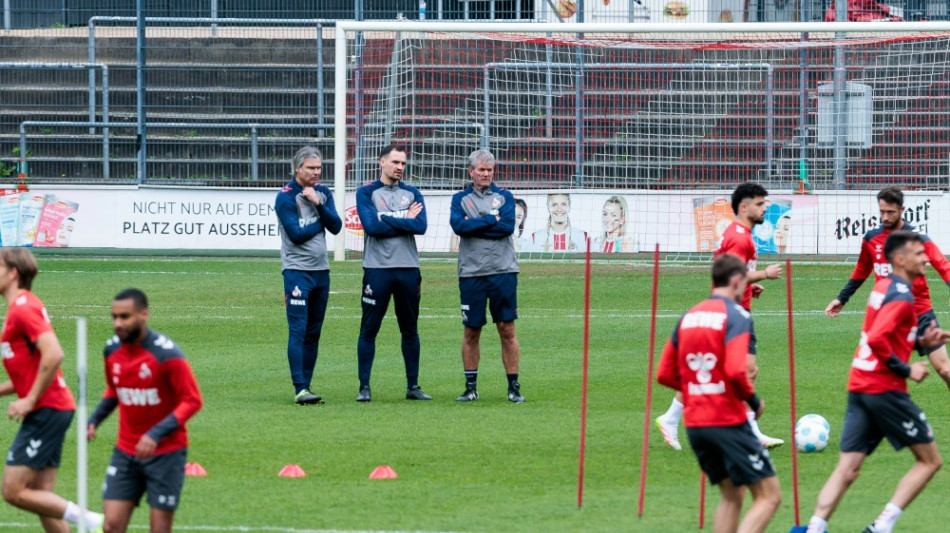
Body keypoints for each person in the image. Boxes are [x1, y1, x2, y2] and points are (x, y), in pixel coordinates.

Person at [804, 231, 949, 533]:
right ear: (899, 259)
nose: (925, 258)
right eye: (918, 254)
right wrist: (907, 370)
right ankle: (882, 527)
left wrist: (922, 339)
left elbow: (886, 336)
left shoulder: (882, 287)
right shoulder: (903, 295)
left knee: (848, 469)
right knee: (930, 461)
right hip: (884, 391)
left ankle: (814, 528)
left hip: (859, 384)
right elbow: (878, 338)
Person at [657, 254, 782, 533]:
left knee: (732, 494)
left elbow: (664, 374)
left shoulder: (689, 315)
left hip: (696, 425)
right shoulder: (738, 315)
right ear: (738, 281)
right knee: (769, 496)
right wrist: (754, 401)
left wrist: (699, 389)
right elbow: (737, 371)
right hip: (727, 421)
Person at [657, 182, 784, 450]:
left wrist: (749, 286)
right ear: (744, 206)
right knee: (747, 369)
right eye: (760, 204)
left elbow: (727, 269)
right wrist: (764, 274)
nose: (764, 209)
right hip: (732, 314)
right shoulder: (739, 237)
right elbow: (732, 274)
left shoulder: (737, 233)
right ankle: (750, 430)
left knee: (717, 369)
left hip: (732, 307)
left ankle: (670, 418)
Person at [0, 247, 104, 533]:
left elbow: (54, 353)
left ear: (12, 273)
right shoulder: (19, 307)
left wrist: (29, 400)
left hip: (47, 409)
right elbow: (29, 372)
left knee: (13, 490)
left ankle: (92, 520)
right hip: (54, 408)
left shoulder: (23, 307)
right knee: (41, 496)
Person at [87, 288, 203, 533]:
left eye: (125, 317)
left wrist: (155, 434)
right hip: (126, 451)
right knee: (111, 525)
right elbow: (114, 390)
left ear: (144, 314)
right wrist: (95, 419)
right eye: (114, 317)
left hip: (166, 454)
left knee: (159, 529)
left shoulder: (167, 354)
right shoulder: (111, 351)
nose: (118, 323)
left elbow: (192, 400)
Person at [825, 186, 950, 392]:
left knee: (945, 370)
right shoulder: (871, 238)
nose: (885, 216)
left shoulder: (916, 238)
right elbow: (862, 269)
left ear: (902, 210)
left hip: (920, 313)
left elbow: (942, 264)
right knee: (882, 374)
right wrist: (842, 298)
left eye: (890, 212)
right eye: (882, 211)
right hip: (888, 316)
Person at [354, 144, 431, 402]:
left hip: (408, 269)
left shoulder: (412, 192)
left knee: (410, 329)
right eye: (395, 162)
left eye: (403, 163)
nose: (400, 167)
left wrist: (387, 218)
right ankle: (364, 387)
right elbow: (371, 227)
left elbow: (420, 226)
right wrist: (403, 219)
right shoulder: (366, 192)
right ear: (382, 163)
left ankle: (413, 386)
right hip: (377, 269)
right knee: (369, 329)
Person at [450, 149, 524, 403]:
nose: (485, 174)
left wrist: (478, 223)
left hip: (503, 271)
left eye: (489, 170)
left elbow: (507, 227)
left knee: (507, 329)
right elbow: (459, 226)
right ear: (471, 171)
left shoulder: (505, 197)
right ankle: (470, 388)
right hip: (471, 273)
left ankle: (513, 388)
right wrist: (490, 220)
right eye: (481, 170)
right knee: (472, 330)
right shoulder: (459, 198)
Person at [274, 146, 343, 405]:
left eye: (319, 168)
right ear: (297, 169)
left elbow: (336, 227)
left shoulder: (323, 193)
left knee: (314, 331)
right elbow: (296, 235)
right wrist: (322, 218)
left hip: (321, 272)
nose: (316, 172)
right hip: (296, 273)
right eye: (311, 168)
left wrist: (318, 204)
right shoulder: (285, 197)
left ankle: (307, 386)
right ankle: (299, 388)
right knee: (298, 330)